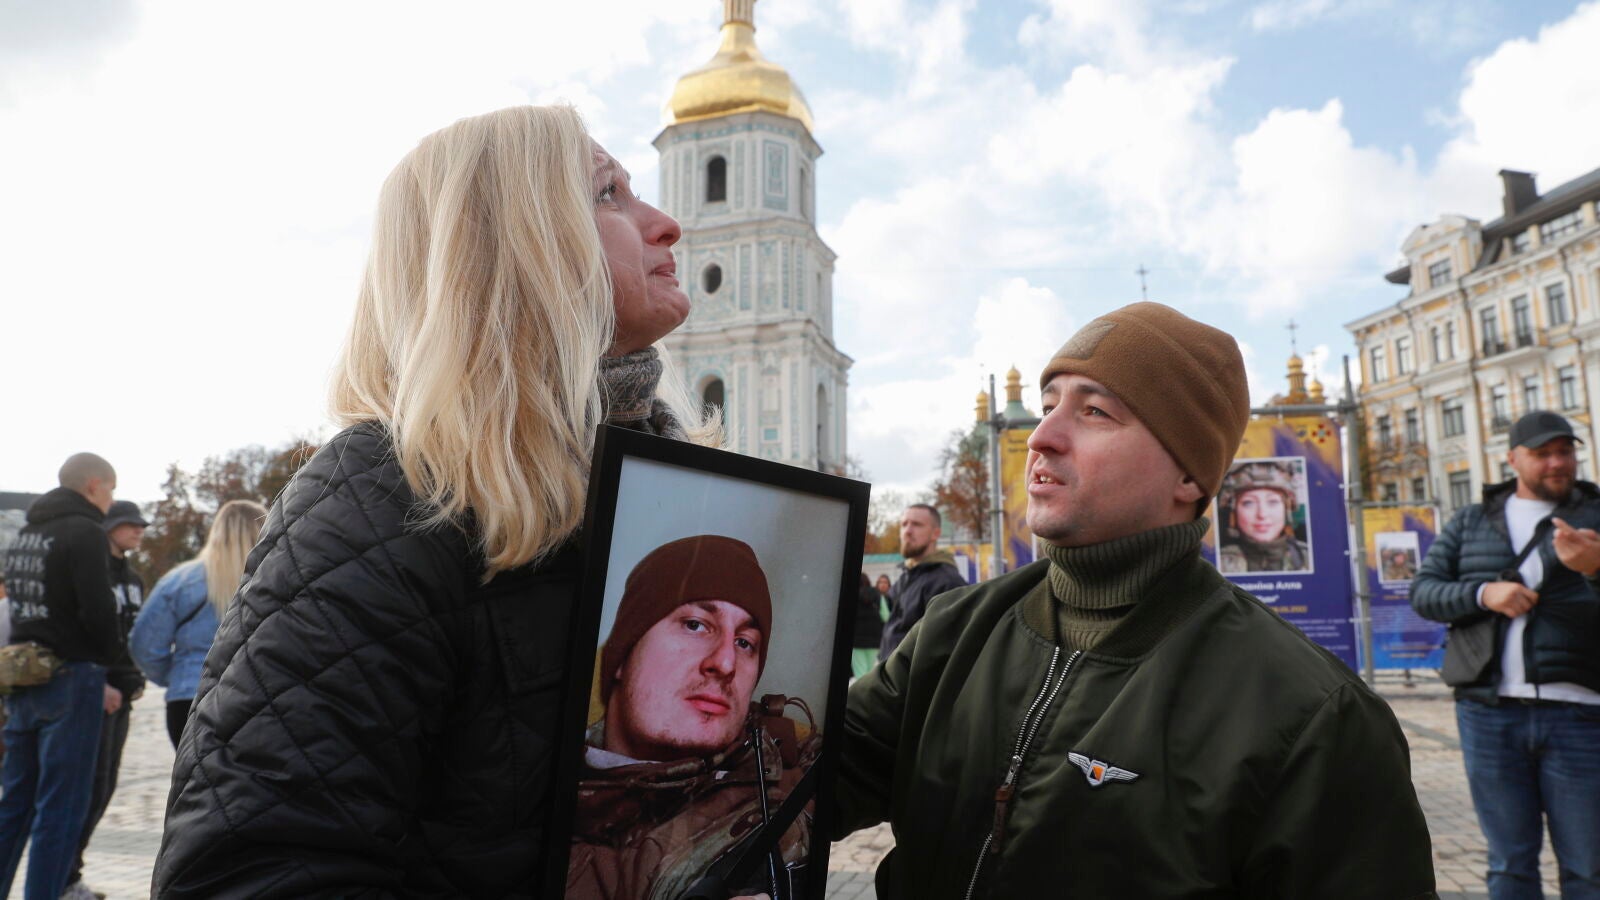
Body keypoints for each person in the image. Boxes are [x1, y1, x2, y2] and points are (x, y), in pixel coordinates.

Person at [151, 105, 716, 898]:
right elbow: (257, 869)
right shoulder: (384, 498)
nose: (665, 224)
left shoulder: (662, 485)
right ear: (513, 245)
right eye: (607, 194)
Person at [833, 303, 1436, 898]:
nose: (1042, 437)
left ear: (1189, 475)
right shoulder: (956, 630)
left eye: (1094, 411)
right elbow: (811, 774)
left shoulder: (1313, 716)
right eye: (1047, 406)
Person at [1412, 410, 1600, 898]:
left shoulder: (1596, 516)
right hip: (1488, 712)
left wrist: (1595, 569)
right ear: (1512, 459)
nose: (1557, 462)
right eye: (1542, 454)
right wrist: (1483, 594)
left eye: (1565, 451)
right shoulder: (1471, 520)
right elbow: (1424, 593)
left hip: (1582, 713)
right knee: (1509, 865)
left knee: (1589, 867)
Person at [568, 534, 814, 900]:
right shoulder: (530, 781)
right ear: (622, 655)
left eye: (745, 642)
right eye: (695, 625)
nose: (726, 662)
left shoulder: (797, 785)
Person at [0, 453, 120, 900]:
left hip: (23, 675)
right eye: (111, 489)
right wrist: (113, 660)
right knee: (61, 808)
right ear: (93, 485)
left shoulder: (26, 535)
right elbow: (98, 609)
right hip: (72, 676)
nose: (111, 500)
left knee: (15, 803)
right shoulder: (85, 531)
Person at [63, 500, 149, 900]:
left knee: (105, 786)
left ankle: (71, 873)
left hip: (123, 693)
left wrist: (136, 675)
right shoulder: (92, 573)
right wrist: (98, 680)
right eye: (130, 524)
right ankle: (65, 876)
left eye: (141, 525)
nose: (139, 530)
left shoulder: (134, 578)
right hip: (94, 691)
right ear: (110, 527)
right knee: (85, 787)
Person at [128, 499, 266, 748]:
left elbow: (144, 645)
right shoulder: (275, 579)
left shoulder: (179, 581)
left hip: (189, 698)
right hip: (259, 698)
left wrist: (178, 676)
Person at [876, 504, 966, 658]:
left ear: (935, 534)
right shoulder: (906, 576)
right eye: (904, 524)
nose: (907, 531)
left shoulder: (947, 582)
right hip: (890, 669)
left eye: (917, 524)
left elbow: (947, 652)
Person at [1216, 460, 1311, 574]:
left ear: (1287, 507)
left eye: (1273, 502)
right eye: (1248, 503)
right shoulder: (1217, 564)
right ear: (1233, 510)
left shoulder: (1308, 558)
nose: (1262, 514)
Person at [849, 573, 884, 678]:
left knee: (860, 672)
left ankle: (861, 688)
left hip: (856, 641)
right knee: (870, 672)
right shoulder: (877, 594)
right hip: (875, 639)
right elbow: (886, 616)